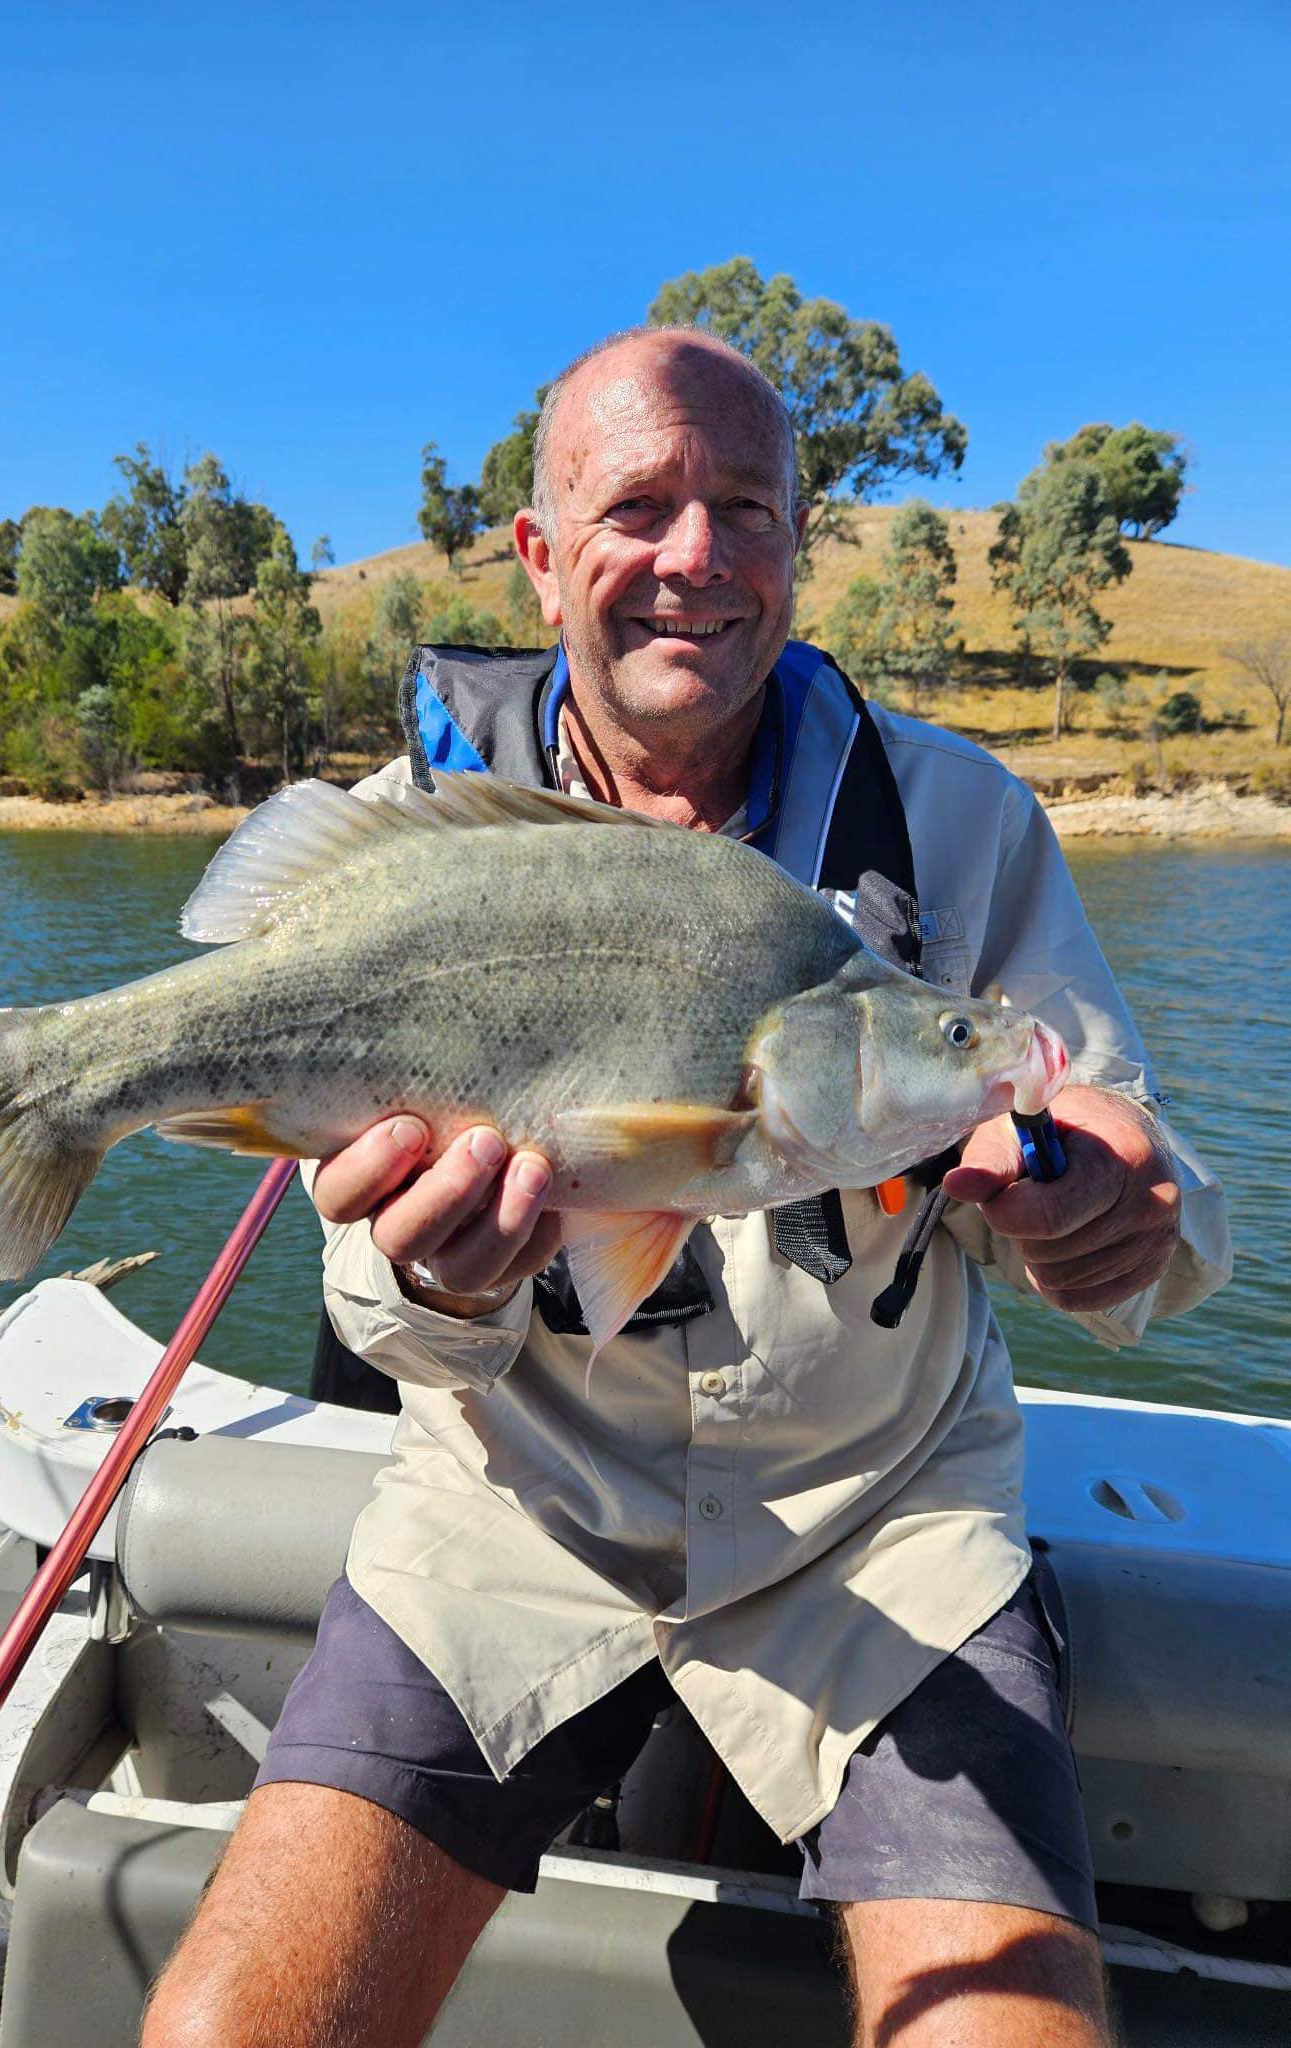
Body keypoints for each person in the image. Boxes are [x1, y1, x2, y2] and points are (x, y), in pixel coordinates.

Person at [142, 328, 1230, 2048]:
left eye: (745, 506)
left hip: (884, 1524)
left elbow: (1148, 1216)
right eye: (639, 504)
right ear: (536, 551)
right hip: (514, 1513)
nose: (696, 556)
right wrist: (441, 1285)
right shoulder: (404, 853)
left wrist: (1128, 1218)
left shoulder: (967, 831)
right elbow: (379, 1307)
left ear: (798, 543)